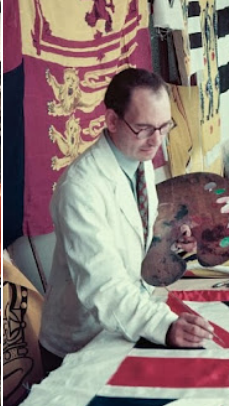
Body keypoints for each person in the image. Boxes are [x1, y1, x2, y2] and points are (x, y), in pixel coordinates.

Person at [40, 68, 215, 375]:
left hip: (126, 319)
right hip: (82, 340)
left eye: (164, 127)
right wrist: (164, 325)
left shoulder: (137, 158)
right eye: (145, 128)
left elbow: (134, 227)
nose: (156, 141)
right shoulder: (80, 188)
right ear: (111, 121)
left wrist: (170, 235)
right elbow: (104, 286)